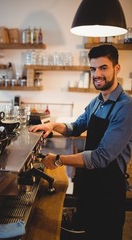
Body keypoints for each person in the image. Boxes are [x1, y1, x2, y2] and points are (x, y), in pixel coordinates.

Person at [29, 44, 132, 240]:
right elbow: (76, 127)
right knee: (86, 232)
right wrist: (51, 126)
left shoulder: (126, 107)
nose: (97, 74)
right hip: (90, 185)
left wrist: (59, 159)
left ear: (116, 68)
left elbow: (101, 158)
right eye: (93, 69)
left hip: (109, 192)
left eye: (103, 68)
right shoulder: (98, 101)